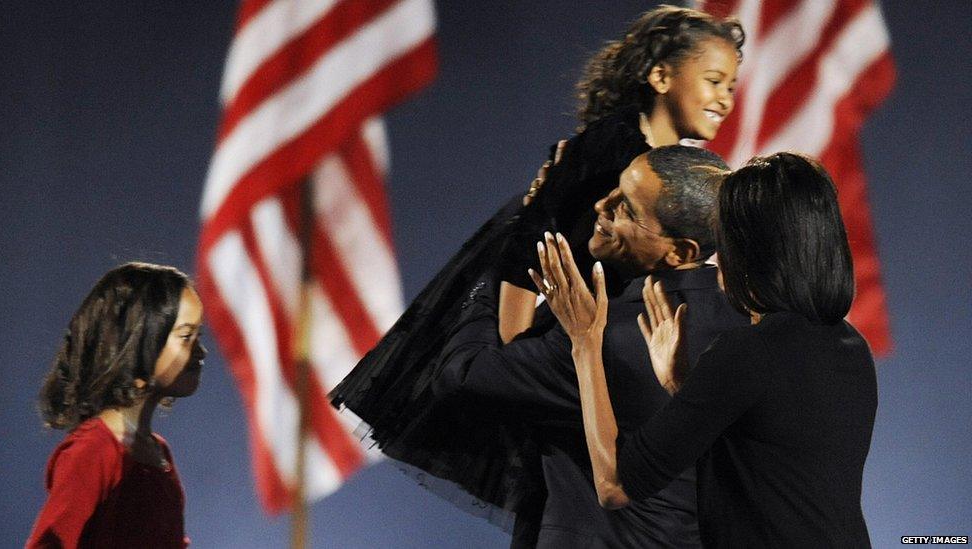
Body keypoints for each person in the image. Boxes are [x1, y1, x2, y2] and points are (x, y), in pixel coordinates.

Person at [329, 6, 744, 524]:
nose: (727, 96)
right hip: (556, 335)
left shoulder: (664, 169)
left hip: (595, 347)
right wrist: (511, 349)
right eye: (714, 80)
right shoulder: (614, 143)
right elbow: (531, 241)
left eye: (731, 83)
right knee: (557, 488)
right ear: (660, 75)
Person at [540, 152, 877, 547]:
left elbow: (614, 485)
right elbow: (768, 451)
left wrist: (584, 340)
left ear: (752, 254)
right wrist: (684, 386)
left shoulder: (748, 353)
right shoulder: (852, 348)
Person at [429, 146, 749, 546]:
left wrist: (490, 275)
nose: (602, 204)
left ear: (680, 250)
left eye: (627, 210)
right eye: (615, 190)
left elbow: (462, 375)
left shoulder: (601, 335)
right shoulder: (748, 326)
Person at [27, 262, 206, 549]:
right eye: (186, 337)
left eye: (200, 336)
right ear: (136, 345)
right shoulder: (94, 450)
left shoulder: (158, 453)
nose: (201, 351)